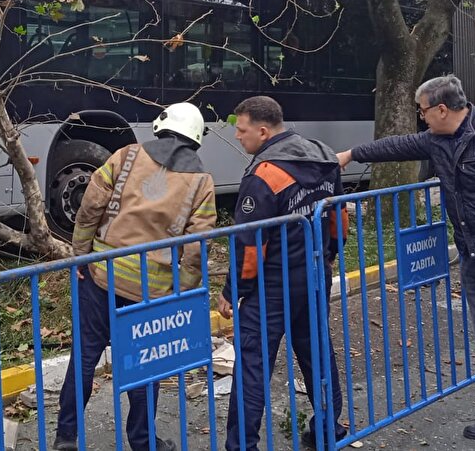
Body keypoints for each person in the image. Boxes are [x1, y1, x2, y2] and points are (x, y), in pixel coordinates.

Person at [335, 76, 475, 451]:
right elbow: (398, 146)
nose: (421, 119)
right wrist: (352, 155)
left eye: (422, 111)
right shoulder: (439, 139)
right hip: (473, 250)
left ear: (441, 109)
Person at [54, 102, 217, 451]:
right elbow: (196, 248)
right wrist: (182, 293)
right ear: (196, 138)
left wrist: (80, 256)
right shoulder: (201, 181)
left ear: (161, 125)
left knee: (85, 357)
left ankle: (66, 437)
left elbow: (89, 208)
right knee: (148, 367)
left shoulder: (126, 155)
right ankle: (143, 441)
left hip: (101, 275)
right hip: (152, 289)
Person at [218, 96, 347, 451]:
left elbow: (249, 246)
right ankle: (327, 428)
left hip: (272, 285)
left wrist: (233, 290)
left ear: (262, 131)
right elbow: (337, 216)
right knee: (317, 352)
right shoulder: (323, 155)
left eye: (242, 132)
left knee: (253, 366)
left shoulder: (264, 175)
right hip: (316, 274)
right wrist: (330, 256)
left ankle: (243, 444)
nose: (239, 138)